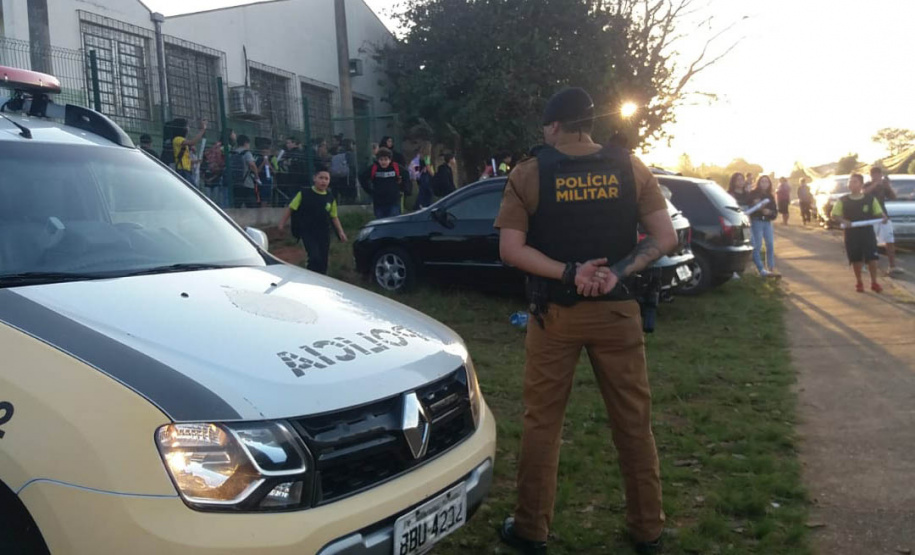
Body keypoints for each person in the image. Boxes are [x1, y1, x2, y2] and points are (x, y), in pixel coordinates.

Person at [494, 87, 676, 555]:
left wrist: (569, 273)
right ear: (589, 124)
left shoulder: (529, 173)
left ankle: (531, 529)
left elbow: (511, 250)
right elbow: (665, 236)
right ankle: (648, 529)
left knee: (542, 424)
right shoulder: (631, 166)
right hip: (618, 311)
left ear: (555, 126)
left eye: (546, 127)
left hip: (555, 314)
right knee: (634, 424)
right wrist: (617, 271)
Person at [278, 165, 347, 274]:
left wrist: (341, 232)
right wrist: (282, 224)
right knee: (314, 257)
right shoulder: (304, 194)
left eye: (326, 179)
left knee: (323, 260)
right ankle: (310, 274)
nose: (323, 181)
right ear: (314, 178)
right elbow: (291, 208)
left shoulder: (330, 198)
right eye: (321, 178)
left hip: (324, 232)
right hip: (308, 232)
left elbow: (334, 217)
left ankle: (322, 278)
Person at [831, 173, 887, 292]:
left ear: (861, 184)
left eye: (854, 182)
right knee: (856, 259)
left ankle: (874, 282)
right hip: (852, 234)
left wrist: (883, 217)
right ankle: (859, 282)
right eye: (850, 182)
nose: (851, 184)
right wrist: (843, 221)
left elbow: (878, 212)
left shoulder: (870, 199)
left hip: (867, 233)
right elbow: (835, 214)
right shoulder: (843, 200)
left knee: (872, 258)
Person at [864, 166, 899, 274]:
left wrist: (888, 186)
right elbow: (864, 193)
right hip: (870, 217)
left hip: (884, 216)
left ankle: (892, 266)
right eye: (874, 174)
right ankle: (868, 265)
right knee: (870, 242)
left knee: (889, 241)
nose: (876, 176)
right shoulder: (867, 185)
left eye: (878, 174)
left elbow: (894, 197)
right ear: (871, 175)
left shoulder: (884, 186)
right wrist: (875, 184)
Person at [748, 175, 778, 277]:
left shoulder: (770, 196)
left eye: (766, 182)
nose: (764, 184)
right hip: (757, 221)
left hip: (767, 222)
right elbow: (749, 208)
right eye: (762, 181)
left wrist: (769, 212)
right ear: (758, 183)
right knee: (758, 245)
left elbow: (775, 212)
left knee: (770, 244)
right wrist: (757, 206)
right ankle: (760, 268)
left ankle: (771, 267)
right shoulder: (753, 194)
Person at [362, 147, 404, 218]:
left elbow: (406, 176)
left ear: (390, 160)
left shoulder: (396, 167)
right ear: (378, 160)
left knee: (394, 220)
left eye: (386, 159)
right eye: (381, 159)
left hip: (393, 201)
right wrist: (369, 191)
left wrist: (403, 188)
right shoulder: (374, 168)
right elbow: (363, 177)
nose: (383, 162)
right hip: (379, 203)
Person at [229, 135, 262, 207]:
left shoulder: (232, 153)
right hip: (247, 183)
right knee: (251, 206)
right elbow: (252, 165)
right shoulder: (246, 153)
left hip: (235, 183)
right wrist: (257, 177)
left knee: (237, 205)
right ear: (246, 143)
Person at [172, 119, 208, 185]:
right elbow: (192, 142)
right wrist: (202, 130)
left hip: (187, 170)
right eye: (187, 126)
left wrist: (196, 161)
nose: (188, 128)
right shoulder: (177, 139)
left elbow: (185, 159)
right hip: (182, 170)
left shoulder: (182, 140)